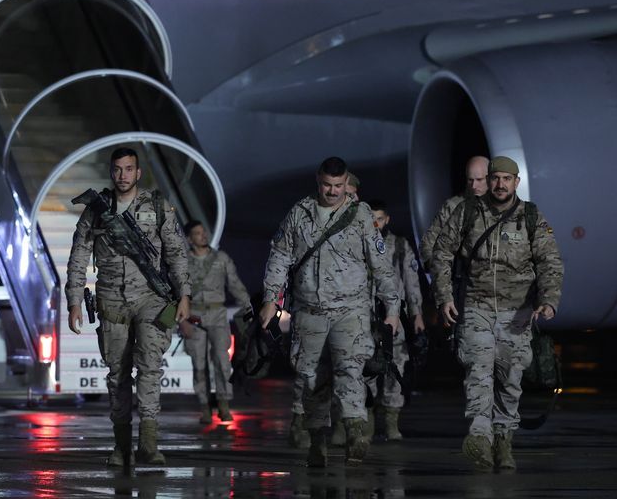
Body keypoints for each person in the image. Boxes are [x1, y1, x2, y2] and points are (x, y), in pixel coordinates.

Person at [260, 156, 401, 468]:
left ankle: (355, 436)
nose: (333, 191)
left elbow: (381, 265)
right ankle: (317, 440)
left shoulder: (361, 215)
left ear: (346, 182)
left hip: (351, 310)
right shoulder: (300, 213)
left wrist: (392, 308)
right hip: (310, 311)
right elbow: (280, 255)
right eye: (327, 185)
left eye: (339, 185)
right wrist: (270, 298)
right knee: (312, 378)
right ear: (318, 180)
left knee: (350, 371)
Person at [430, 156, 563, 473]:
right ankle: (479, 436)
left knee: (510, 378)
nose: (500, 184)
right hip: (476, 308)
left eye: (507, 178)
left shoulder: (531, 217)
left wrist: (549, 300)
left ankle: (504, 439)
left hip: (517, 313)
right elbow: (442, 253)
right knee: (478, 370)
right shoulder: (467, 213)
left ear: (516, 182)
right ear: (488, 180)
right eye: (495, 178)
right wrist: (444, 296)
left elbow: (550, 262)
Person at [65, 147, 190, 467]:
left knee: (150, 367)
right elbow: (79, 255)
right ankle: (122, 446)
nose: (123, 175)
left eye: (129, 169)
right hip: (111, 300)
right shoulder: (96, 209)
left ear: (139, 173)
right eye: (118, 169)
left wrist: (185, 295)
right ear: (111, 172)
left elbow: (176, 253)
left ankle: (148, 443)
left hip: (152, 299)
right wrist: (74, 301)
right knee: (117, 374)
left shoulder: (159, 207)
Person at [180, 219, 251, 423]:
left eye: (204, 232)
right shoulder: (183, 262)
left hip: (218, 315)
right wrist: (181, 321)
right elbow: (176, 293)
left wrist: (250, 309)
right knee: (199, 364)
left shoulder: (221, 258)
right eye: (198, 233)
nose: (203, 236)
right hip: (194, 317)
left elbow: (235, 285)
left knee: (222, 361)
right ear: (189, 238)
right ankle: (204, 406)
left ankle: (223, 404)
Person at [366, 199, 425, 441]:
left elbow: (411, 281)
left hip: (393, 318)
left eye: (379, 218)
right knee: (364, 370)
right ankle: (365, 422)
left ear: (387, 219)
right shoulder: (359, 244)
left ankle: (391, 420)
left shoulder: (399, 246)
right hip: (365, 316)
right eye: (371, 218)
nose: (375, 223)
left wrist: (416, 313)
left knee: (396, 367)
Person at [419, 156, 489, 262]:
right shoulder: (452, 206)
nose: (474, 185)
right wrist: (438, 270)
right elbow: (428, 242)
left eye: (479, 180)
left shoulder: (504, 206)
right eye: (470, 180)